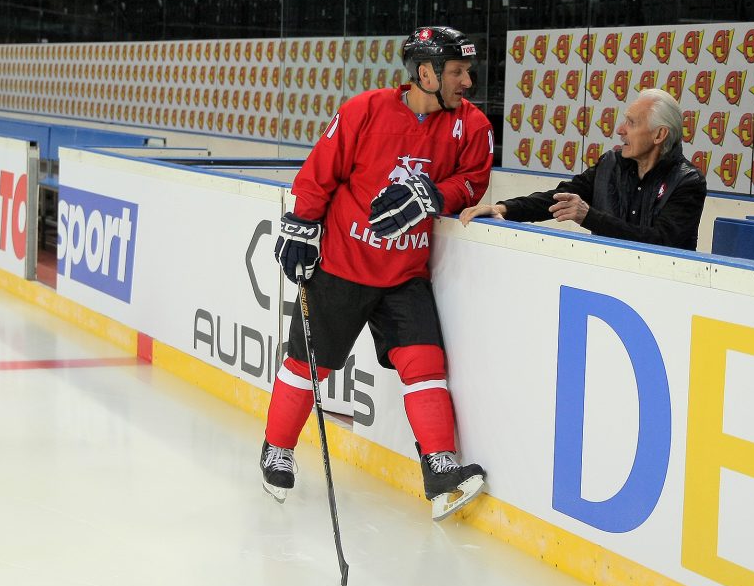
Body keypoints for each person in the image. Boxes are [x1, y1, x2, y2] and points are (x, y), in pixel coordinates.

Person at [263, 26, 495, 521]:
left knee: (425, 364)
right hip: (344, 267)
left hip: (405, 274)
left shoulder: (471, 126)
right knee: (310, 367)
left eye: (467, 71)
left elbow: (473, 180)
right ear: (425, 73)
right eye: (456, 71)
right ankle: (277, 450)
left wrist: (435, 195)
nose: (468, 82)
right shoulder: (364, 110)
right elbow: (319, 172)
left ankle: (439, 469)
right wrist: (303, 224)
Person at [460, 88, 707, 250]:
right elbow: (559, 198)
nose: (620, 129)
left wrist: (590, 217)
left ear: (659, 135)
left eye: (631, 123)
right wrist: (503, 208)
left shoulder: (687, 182)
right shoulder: (611, 164)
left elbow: (662, 242)